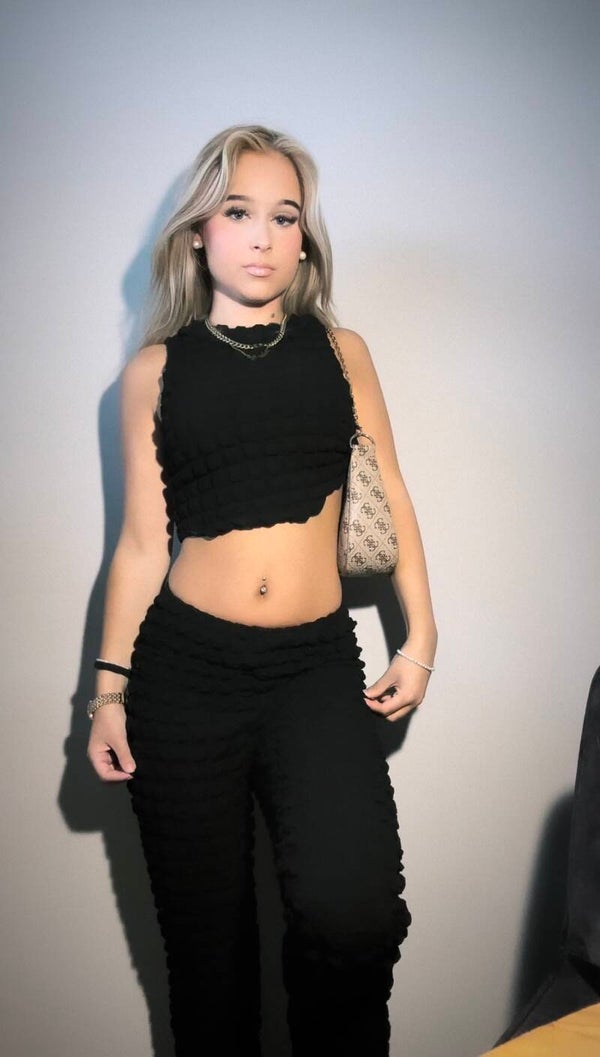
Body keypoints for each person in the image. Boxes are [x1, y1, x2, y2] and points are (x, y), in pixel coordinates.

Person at [87, 123, 437, 1057]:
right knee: (208, 962)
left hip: (312, 668)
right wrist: (108, 691)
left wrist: (421, 637)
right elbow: (141, 544)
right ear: (199, 230)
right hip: (185, 677)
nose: (263, 235)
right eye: (239, 211)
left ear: (305, 241)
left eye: (286, 217)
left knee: (353, 913)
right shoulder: (152, 373)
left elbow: (392, 493)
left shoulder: (342, 350)